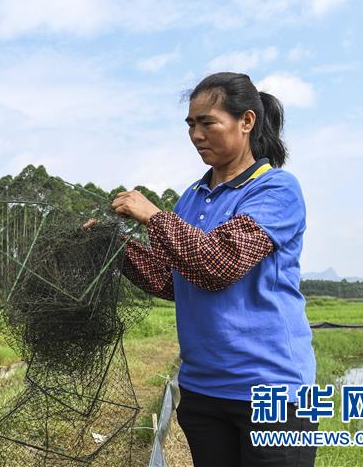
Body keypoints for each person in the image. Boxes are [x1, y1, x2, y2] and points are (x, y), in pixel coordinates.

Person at [112, 72, 317, 467]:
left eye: (208, 122)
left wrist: (153, 216)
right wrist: (117, 250)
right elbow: (175, 279)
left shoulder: (275, 189)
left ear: (246, 122)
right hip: (204, 389)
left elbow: (217, 263)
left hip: (271, 391)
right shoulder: (192, 197)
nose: (196, 134)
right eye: (191, 124)